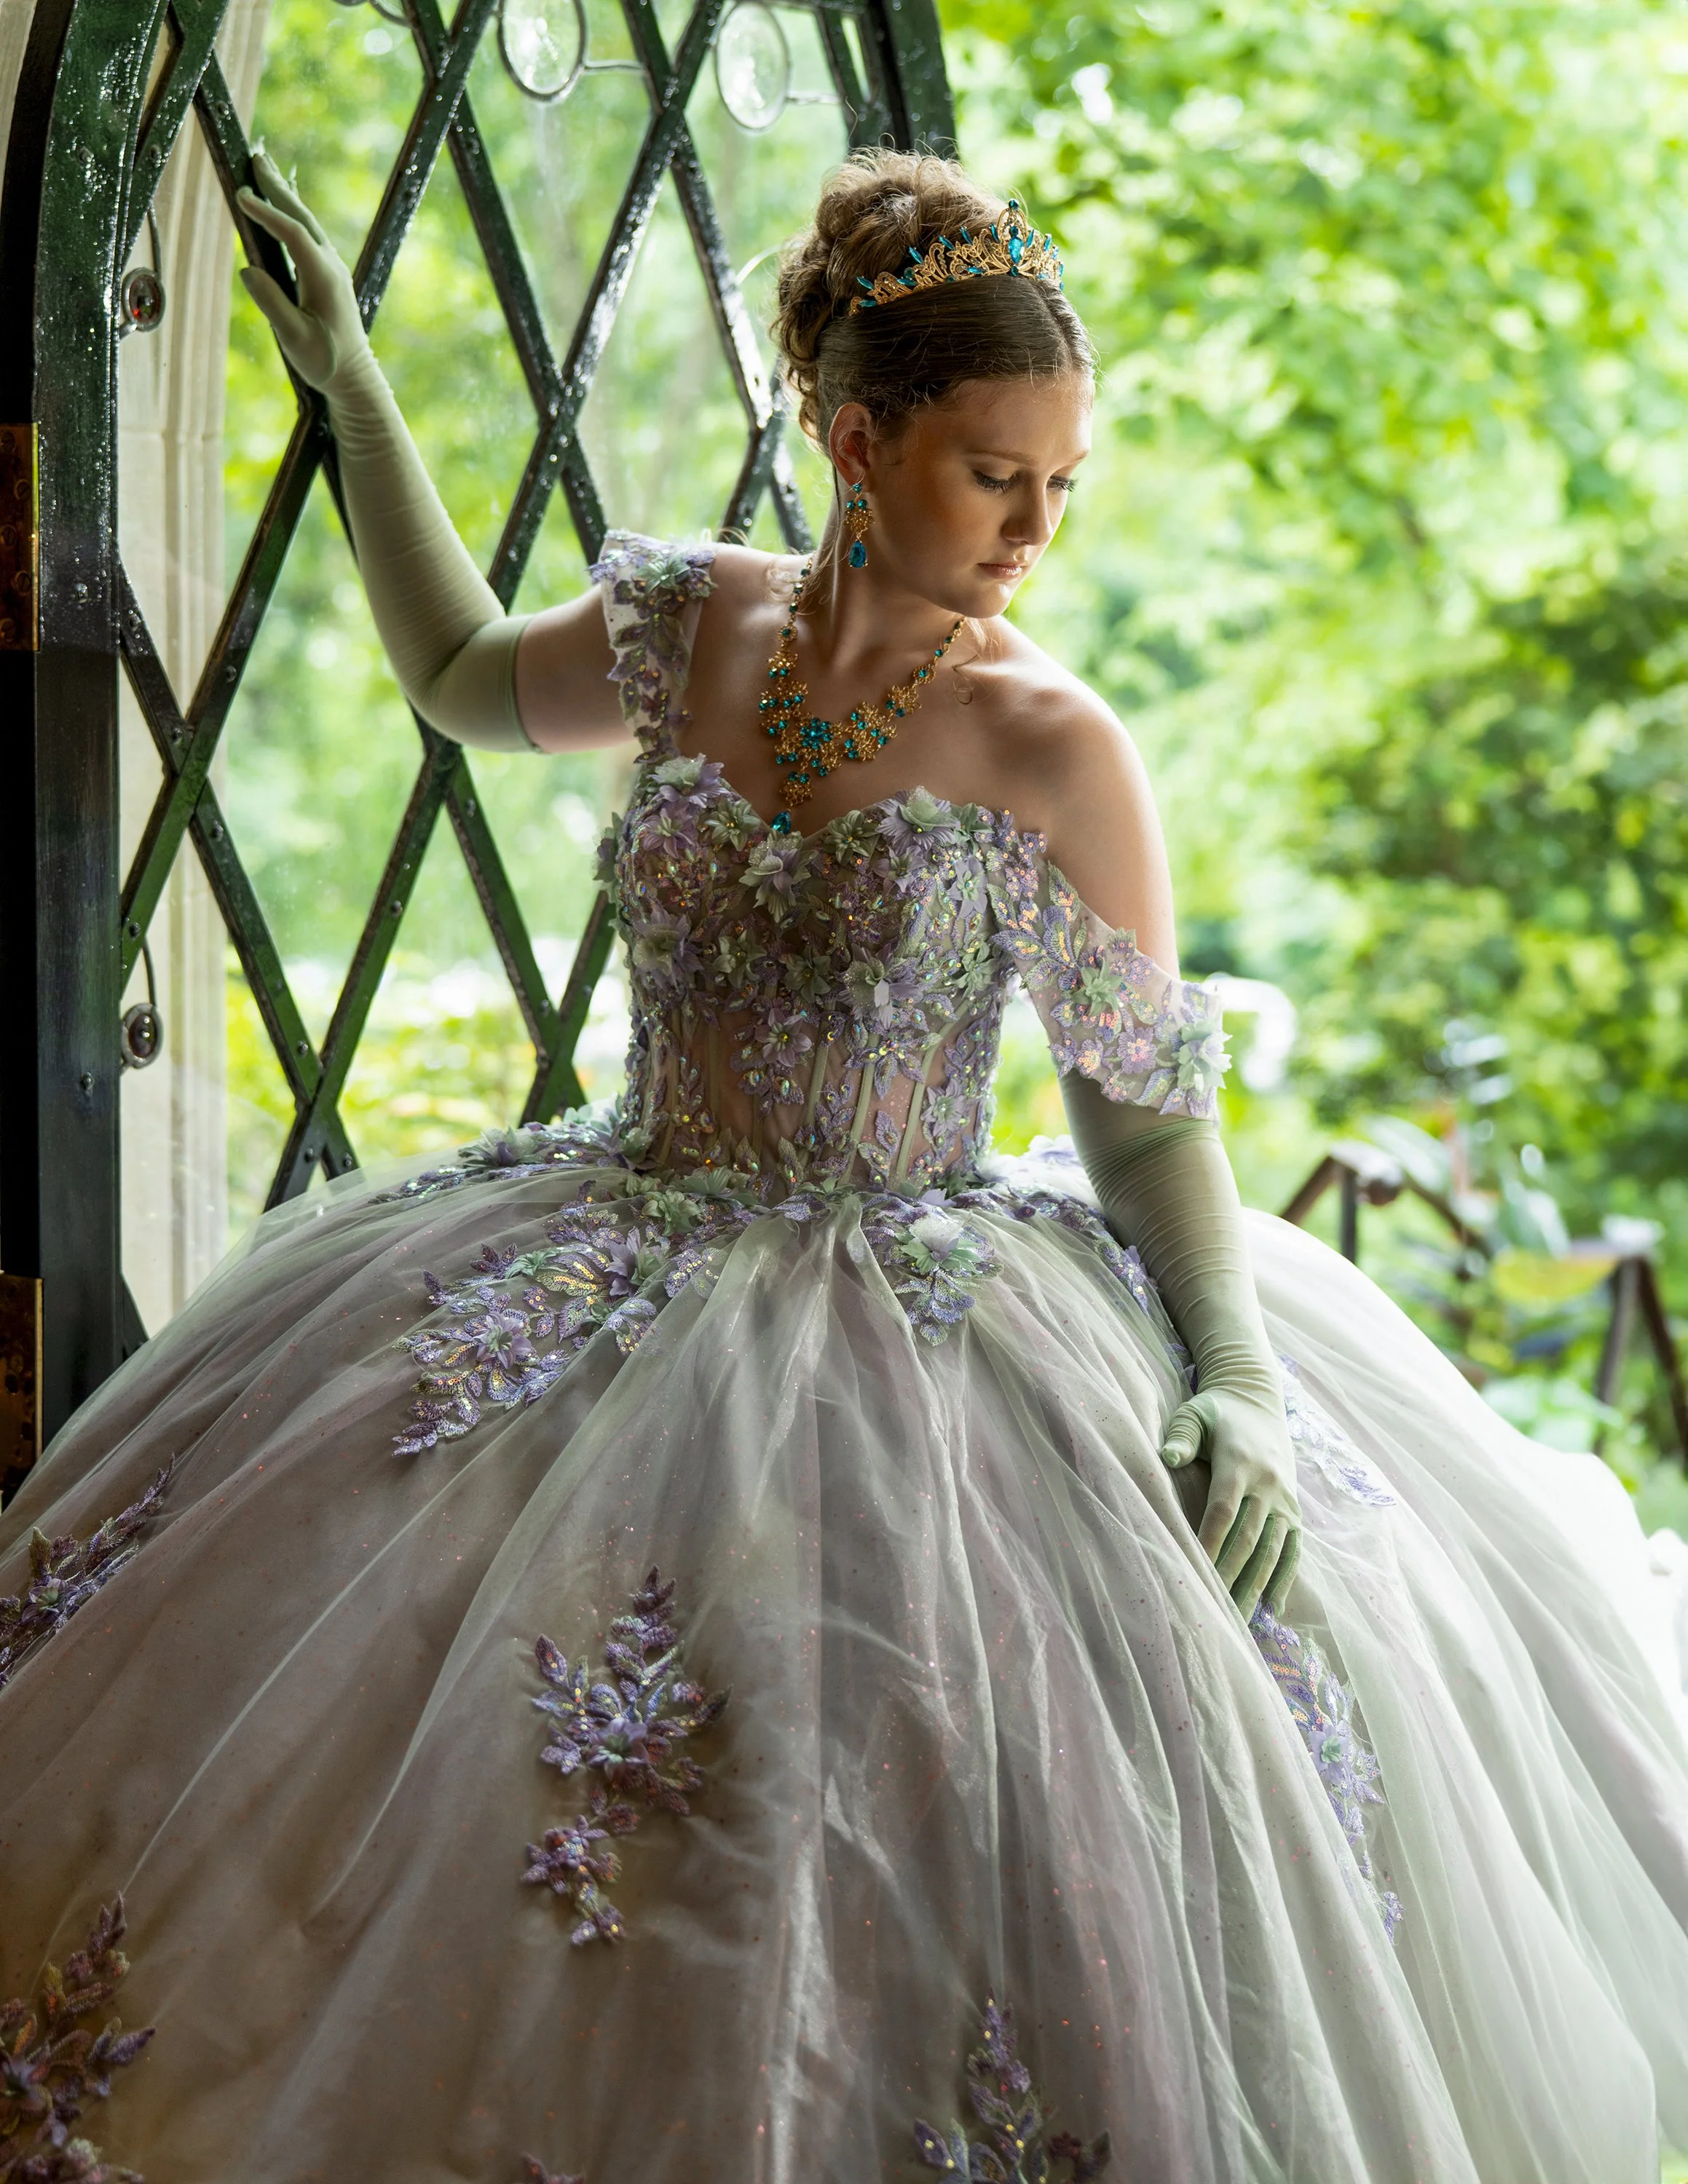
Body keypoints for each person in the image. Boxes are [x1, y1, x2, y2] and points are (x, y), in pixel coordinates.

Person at [2, 146, 1687, 2184]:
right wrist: (354, 389)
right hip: (613, 1245)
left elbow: (1143, 1106)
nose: (1038, 531)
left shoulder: (1054, 747)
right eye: (999, 476)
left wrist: (1230, 1373)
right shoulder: (680, 626)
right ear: (854, 436)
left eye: (1066, 482)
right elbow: (452, 681)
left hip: (928, 1320)